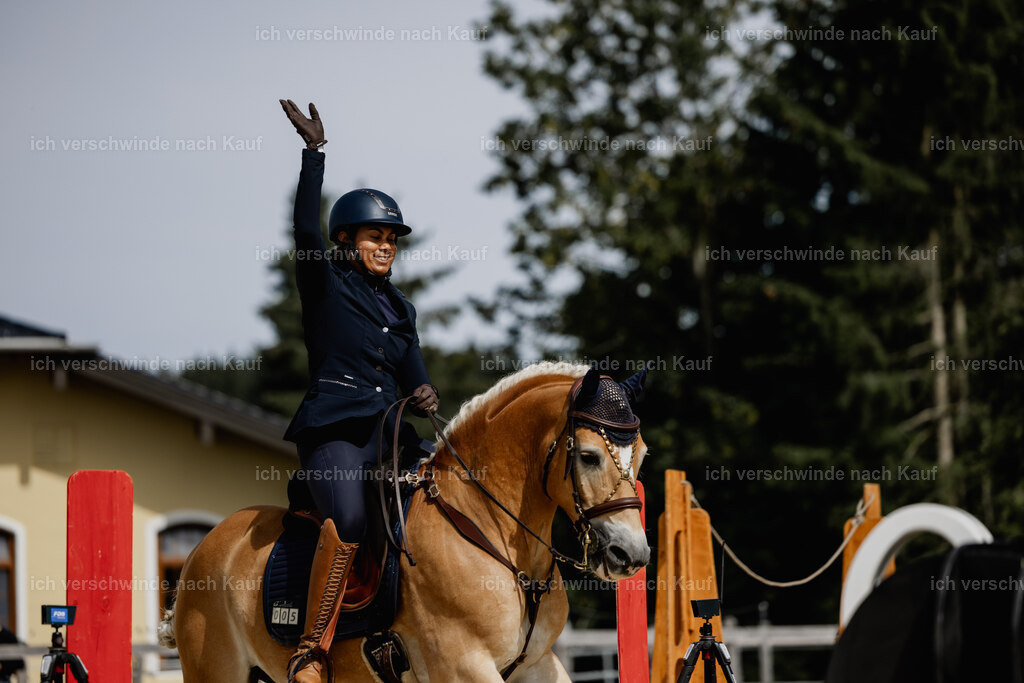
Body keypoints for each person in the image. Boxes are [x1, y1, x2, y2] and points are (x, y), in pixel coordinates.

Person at [278, 99, 439, 683]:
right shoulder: (325, 283)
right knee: (347, 519)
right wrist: (313, 155)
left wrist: (424, 394)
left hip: (390, 434)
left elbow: (415, 376)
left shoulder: (401, 308)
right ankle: (311, 649)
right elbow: (303, 228)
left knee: (449, 494)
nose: (387, 245)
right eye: (376, 236)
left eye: (392, 238)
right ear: (346, 239)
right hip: (335, 432)